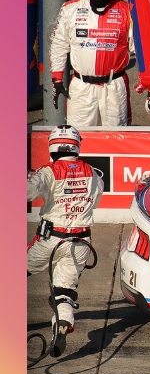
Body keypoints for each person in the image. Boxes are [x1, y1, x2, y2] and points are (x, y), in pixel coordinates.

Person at [27, 126, 104, 358]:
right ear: (76, 145)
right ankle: (61, 324)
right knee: (63, 292)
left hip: (50, 240)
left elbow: (27, 192)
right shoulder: (93, 172)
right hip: (81, 243)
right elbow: (96, 200)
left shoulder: (48, 171)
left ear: (52, 146)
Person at [49, 0, 133, 127]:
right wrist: (57, 79)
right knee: (79, 138)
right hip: (82, 87)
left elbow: (140, 49)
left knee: (117, 139)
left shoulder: (126, 10)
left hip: (114, 87)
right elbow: (59, 44)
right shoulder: (70, 9)